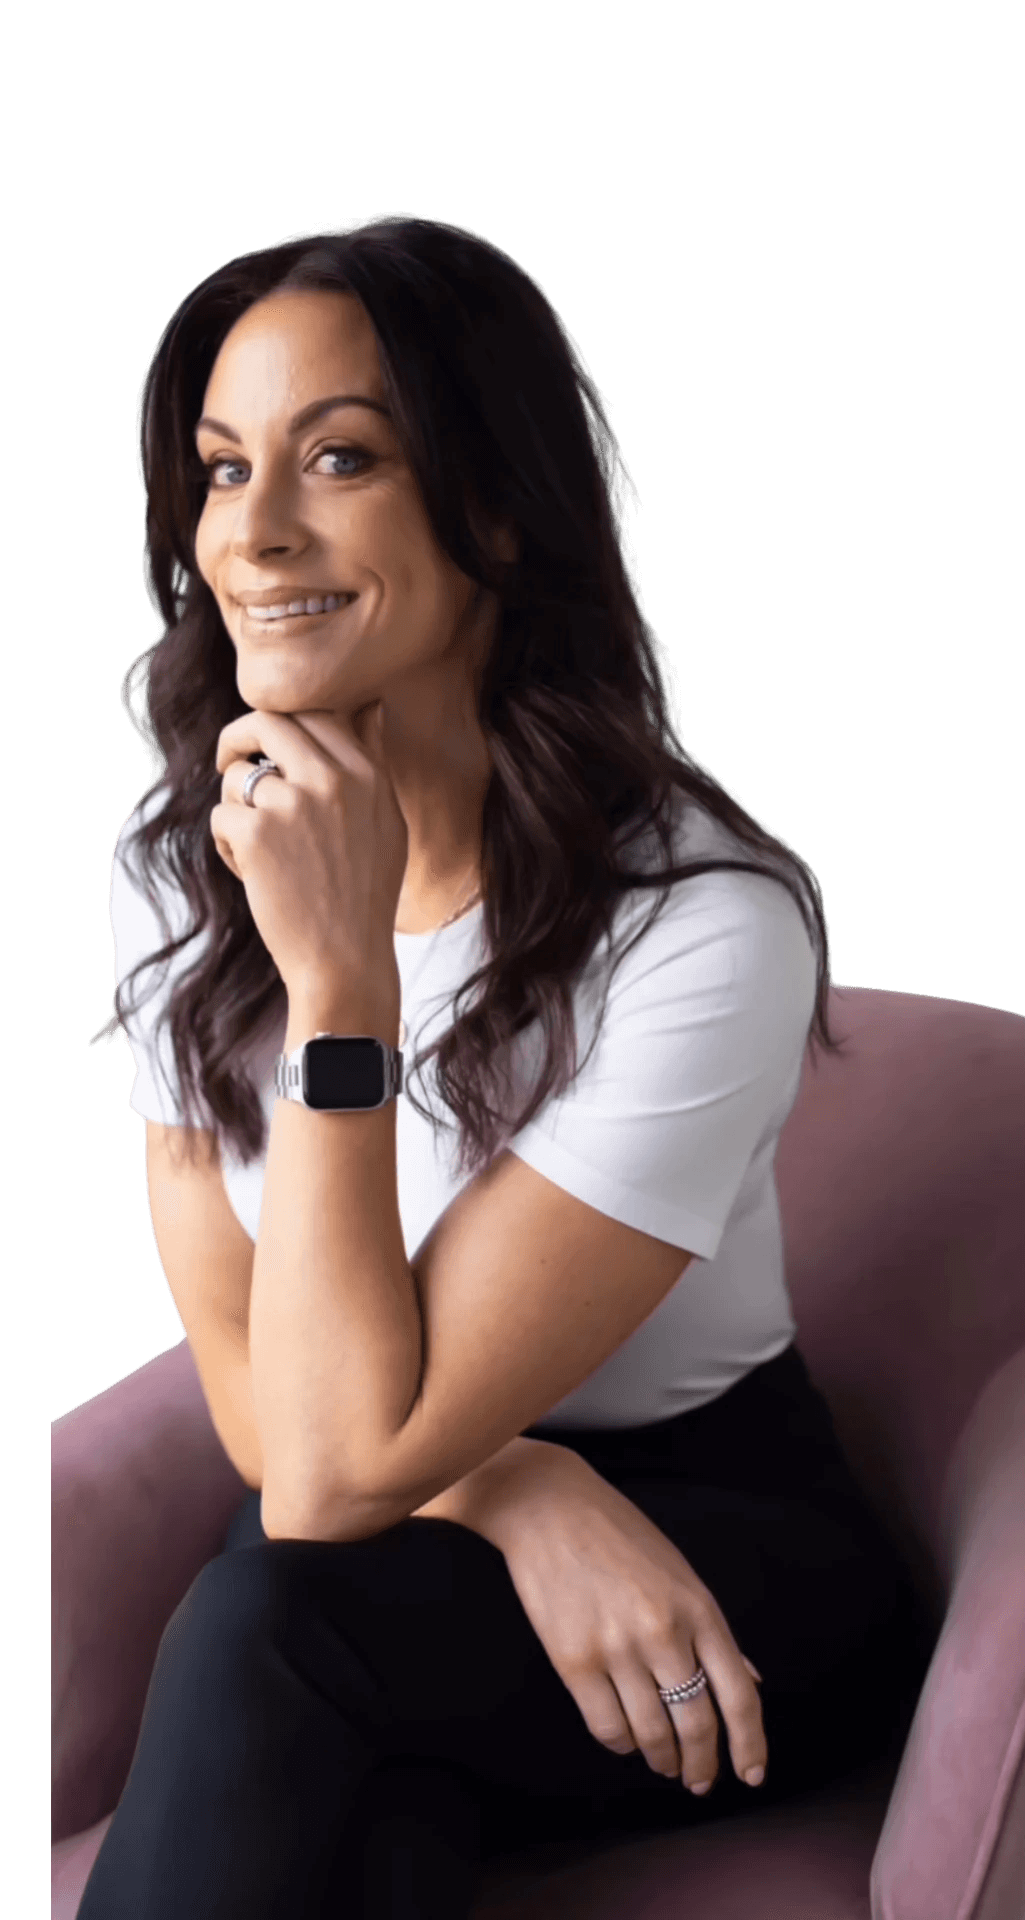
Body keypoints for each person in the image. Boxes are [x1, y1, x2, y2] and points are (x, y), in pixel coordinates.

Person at [82, 214, 933, 1919]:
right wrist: (517, 1490)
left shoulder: (700, 922)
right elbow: (273, 1409)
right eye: (224, 468)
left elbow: (329, 1481)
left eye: (340, 459)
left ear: (493, 508)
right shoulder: (182, 858)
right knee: (358, 1798)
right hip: (373, 1523)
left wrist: (343, 991)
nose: (252, 533)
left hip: (715, 1548)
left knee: (275, 1629)